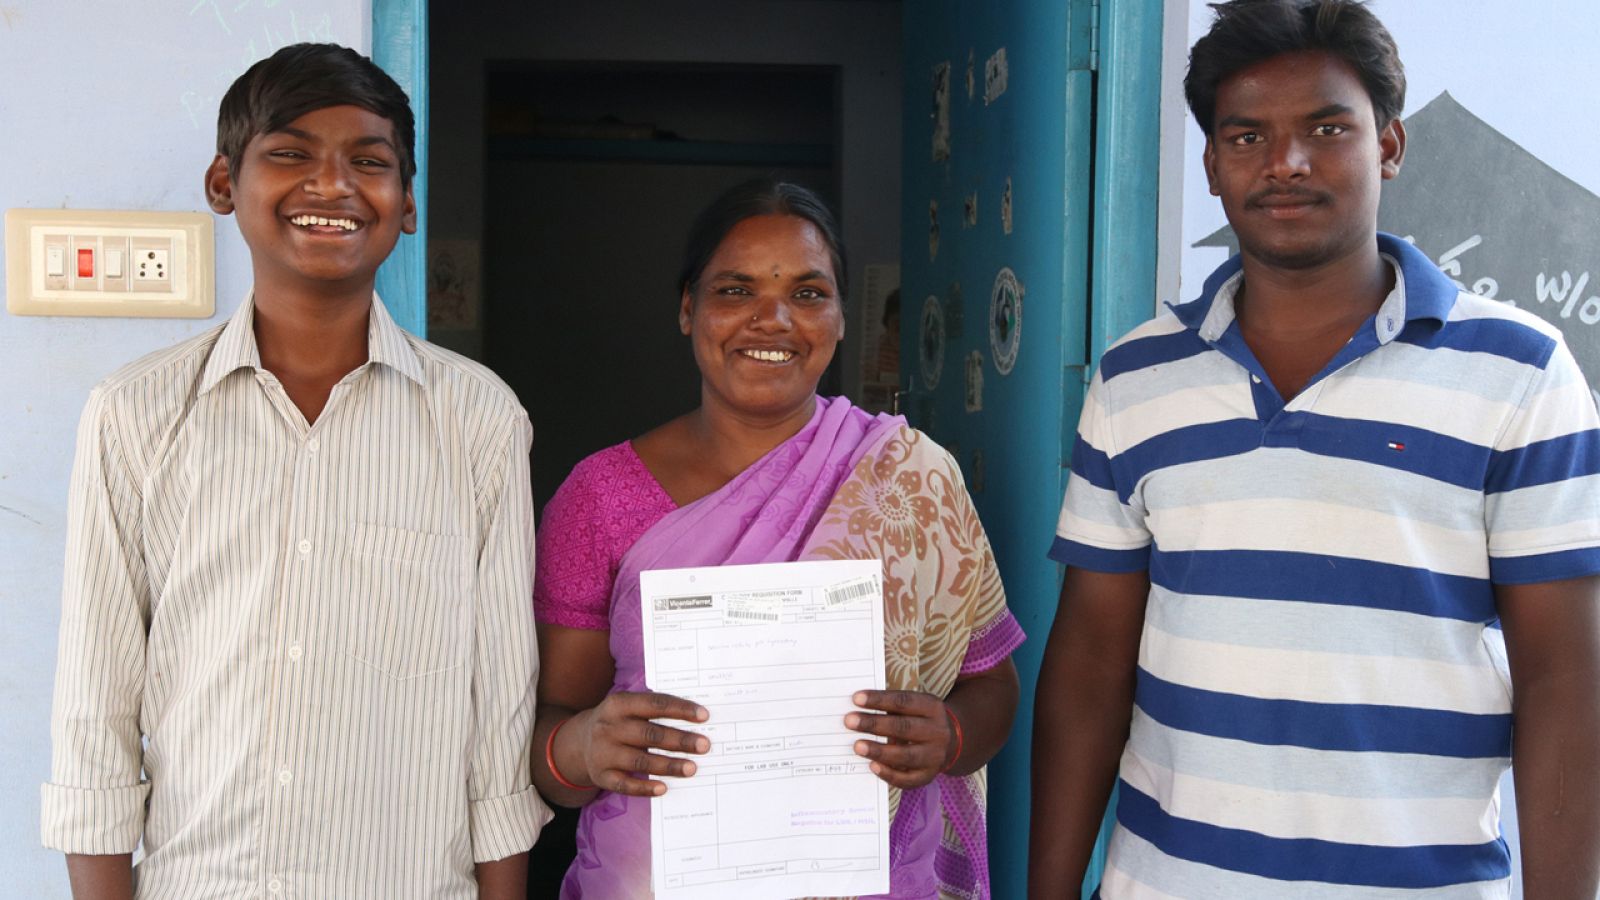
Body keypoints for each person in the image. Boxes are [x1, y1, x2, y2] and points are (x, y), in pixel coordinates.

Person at [1030, 1, 1600, 897]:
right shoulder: (1134, 377)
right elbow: (1092, 661)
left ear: (1391, 146)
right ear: (1213, 166)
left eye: (1328, 128)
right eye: (1247, 135)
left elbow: (1565, 679)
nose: (1286, 162)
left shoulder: (1521, 373)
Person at [41, 44, 549, 899]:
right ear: (221, 184)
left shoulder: (479, 421)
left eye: (369, 161)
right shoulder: (136, 415)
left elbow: (497, 720)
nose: (331, 185)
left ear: (408, 203)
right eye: (289, 153)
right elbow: (96, 708)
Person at [531, 179, 1024, 899]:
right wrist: (583, 745)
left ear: (841, 317)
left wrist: (946, 735)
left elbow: (992, 687)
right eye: (735, 291)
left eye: (807, 293)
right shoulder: (601, 496)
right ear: (687, 307)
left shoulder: (912, 474)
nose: (774, 320)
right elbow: (549, 751)